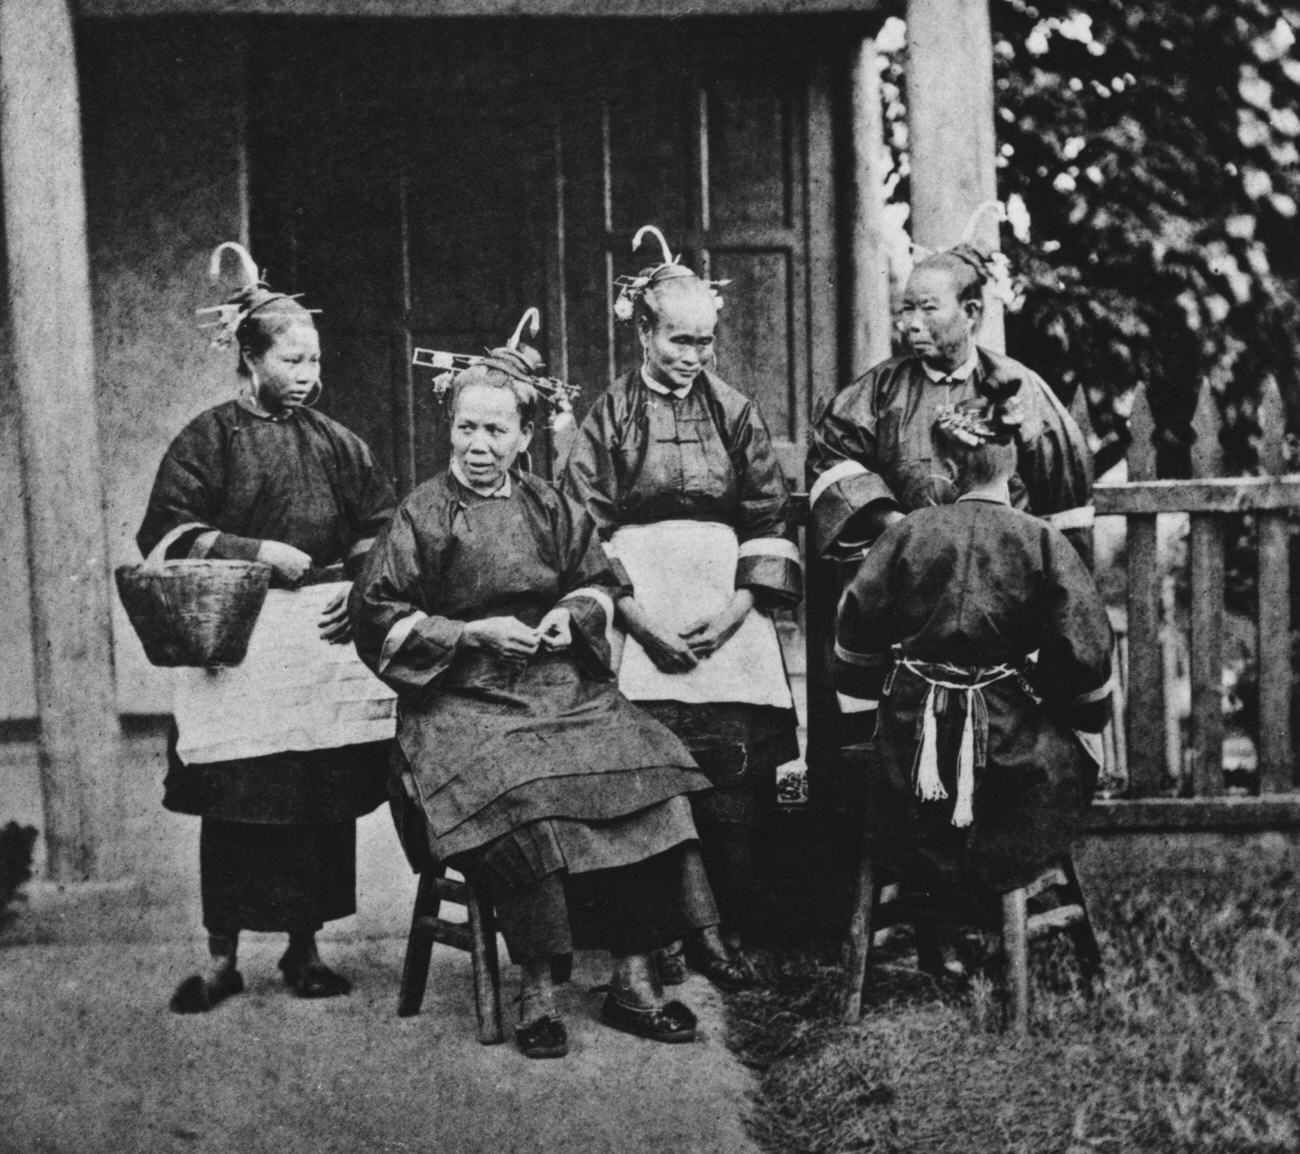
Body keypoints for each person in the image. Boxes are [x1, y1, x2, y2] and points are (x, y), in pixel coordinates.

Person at [351, 324, 723, 1059]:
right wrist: (471, 635)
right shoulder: (422, 514)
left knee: (652, 777)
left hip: (557, 687)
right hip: (459, 703)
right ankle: (540, 985)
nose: (477, 444)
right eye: (466, 427)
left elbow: (597, 584)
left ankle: (633, 975)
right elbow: (380, 619)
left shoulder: (551, 505)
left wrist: (565, 616)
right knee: (523, 795)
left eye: (495, 429)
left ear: (526, 436)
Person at [137, 243, 396, 1013]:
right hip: (239, 645)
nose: (309, 374)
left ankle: (304, 949)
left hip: (316, 636)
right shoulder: (208, 438)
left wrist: (357, 583)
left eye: (315, 359)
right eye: (292, 359)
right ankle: (222, 959)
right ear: (250, 360)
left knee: (316, 796)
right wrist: (255, 553)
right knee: (238, 798)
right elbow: (167, 530)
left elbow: (380, 524)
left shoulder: (334, 441)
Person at [560, 226, 801, 990]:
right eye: (678, 340)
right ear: (642, 330)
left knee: (731, 778)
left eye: (705, 341)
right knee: (648, 777)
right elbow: (582, 528)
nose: (694, 355)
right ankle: (657, 929)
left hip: (723, 614)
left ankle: (718, 928)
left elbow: (768, 516)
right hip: (642, 616)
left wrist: (738, 611)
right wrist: (637, 621)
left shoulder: (735, 411)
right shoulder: (607, 418)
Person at [832, 396, 1113, 900]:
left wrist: (874, 709)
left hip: (912, 745)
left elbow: (856, 635)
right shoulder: (1043, 540)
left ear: (949, 467)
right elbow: (1083, 660)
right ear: (1015, 466)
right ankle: (999, 893)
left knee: (890, 764)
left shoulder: (907, 534)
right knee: (1064, 754)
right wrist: (1064, 707)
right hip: (1012, 753)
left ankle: (929, 895)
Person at [806, 242, 1095, 565]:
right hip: (907, 572)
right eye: (907, 309)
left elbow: (1064, 511)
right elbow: (831, 460)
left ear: (970, 312)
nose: (912, 323)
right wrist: (896, 525)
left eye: (928, 309)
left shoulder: (1020, 388)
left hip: (1001, 574)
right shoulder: (877, 392)